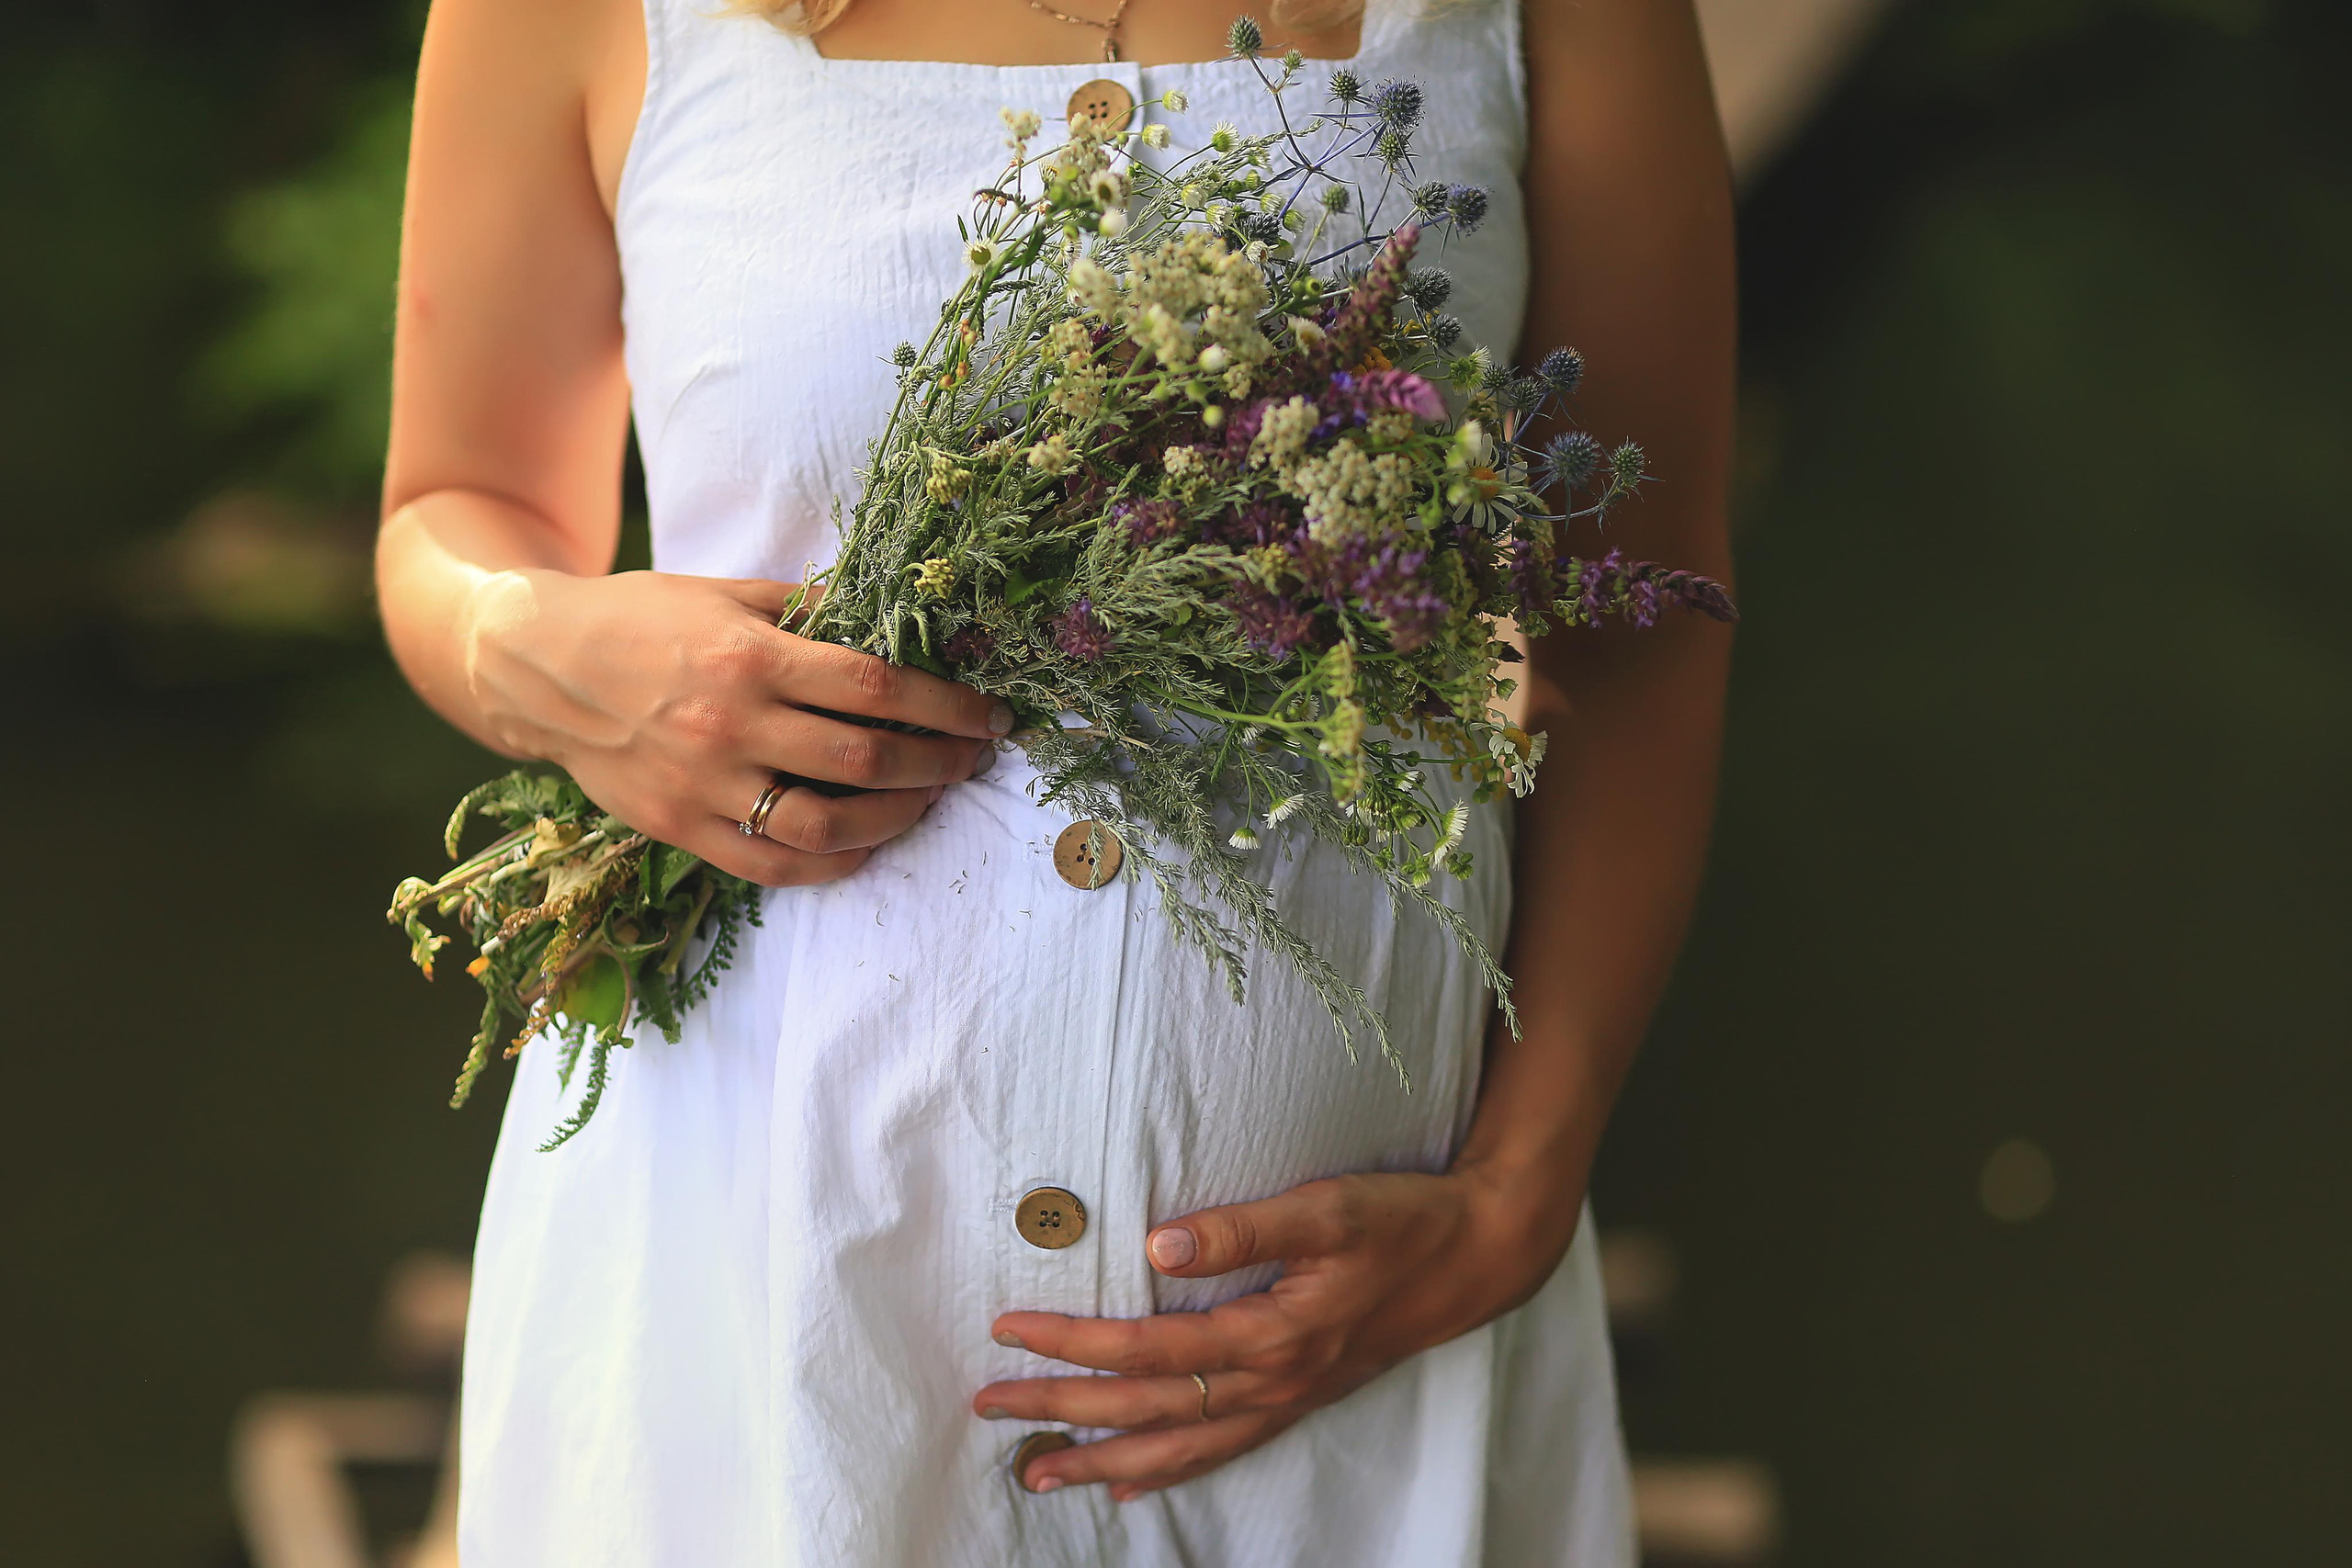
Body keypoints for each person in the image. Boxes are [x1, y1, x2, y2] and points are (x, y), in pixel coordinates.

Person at [379, 0, 1734, 1561]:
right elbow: (452, 505)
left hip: (1354, 1378)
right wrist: (538, 647)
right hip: (759, 1309)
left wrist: (1516, 1194)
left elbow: (1639, 617)